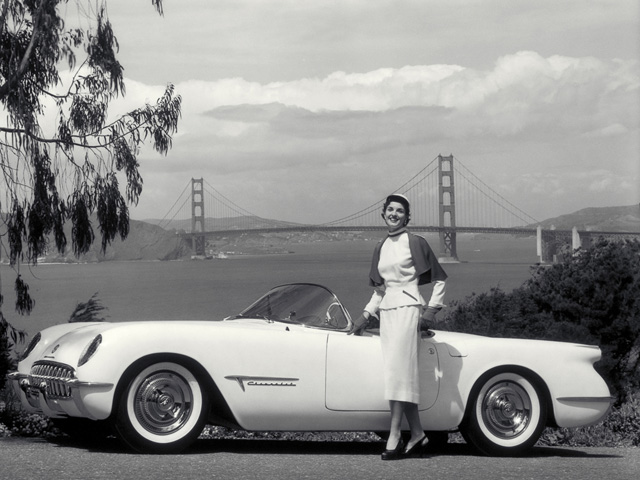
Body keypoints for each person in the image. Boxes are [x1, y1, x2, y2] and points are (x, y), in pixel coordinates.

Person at [349, 193, 447, 460]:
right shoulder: (380, 247)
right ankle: (417, 434)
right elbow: (380, 291)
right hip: (388, 313)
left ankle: (394, 434)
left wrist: (430, 311)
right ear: (383, 214)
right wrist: (364, 317)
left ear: (407, 216)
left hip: (408, 309)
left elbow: (439, 280)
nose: (394, 214)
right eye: (390, 209)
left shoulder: (415, 242)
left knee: (398, 373)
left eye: (400, 210)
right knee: (398, 373)